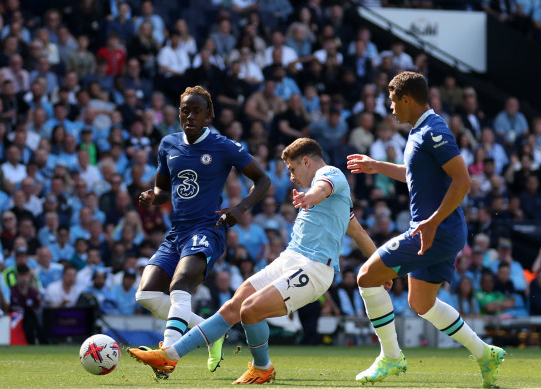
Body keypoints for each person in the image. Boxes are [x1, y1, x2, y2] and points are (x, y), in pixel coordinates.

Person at [128, 138, 377, 384]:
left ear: (305, 161)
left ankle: (262, 367)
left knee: (250, 310)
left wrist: (310, 197)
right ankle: (170, 356)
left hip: (314, 268)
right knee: (234, 305)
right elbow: (359, 233)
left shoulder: (329, 174)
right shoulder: (335, 201)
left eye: (292, 169)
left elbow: (322, 187)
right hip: (290, 258)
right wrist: (380, 267)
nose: (291, 176)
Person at [346, 71, 505, 388]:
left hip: (436, 231)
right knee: (421, 303)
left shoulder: (433, 131)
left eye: (392, 101)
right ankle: (484, 353)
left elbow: (463, 181)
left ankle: (391, 357)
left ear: (406, 99)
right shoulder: (419, 132)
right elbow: (415, 174)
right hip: (440, 231)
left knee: (366, 277)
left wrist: (431, 223)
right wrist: (378, 166)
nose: (390, 108)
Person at [132, 86, 271, 378]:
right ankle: (210, 331)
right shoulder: (168, 144)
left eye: (197, 111)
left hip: (207, 229)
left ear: (209, 115)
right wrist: (151, 196)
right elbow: (163, 190)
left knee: (180, 284)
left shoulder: (223, 146)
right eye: (185, 110)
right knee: (145, 295)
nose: (190, 116)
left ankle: (167, 356)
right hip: (176, 233)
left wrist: (240, 208)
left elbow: (262, 180)